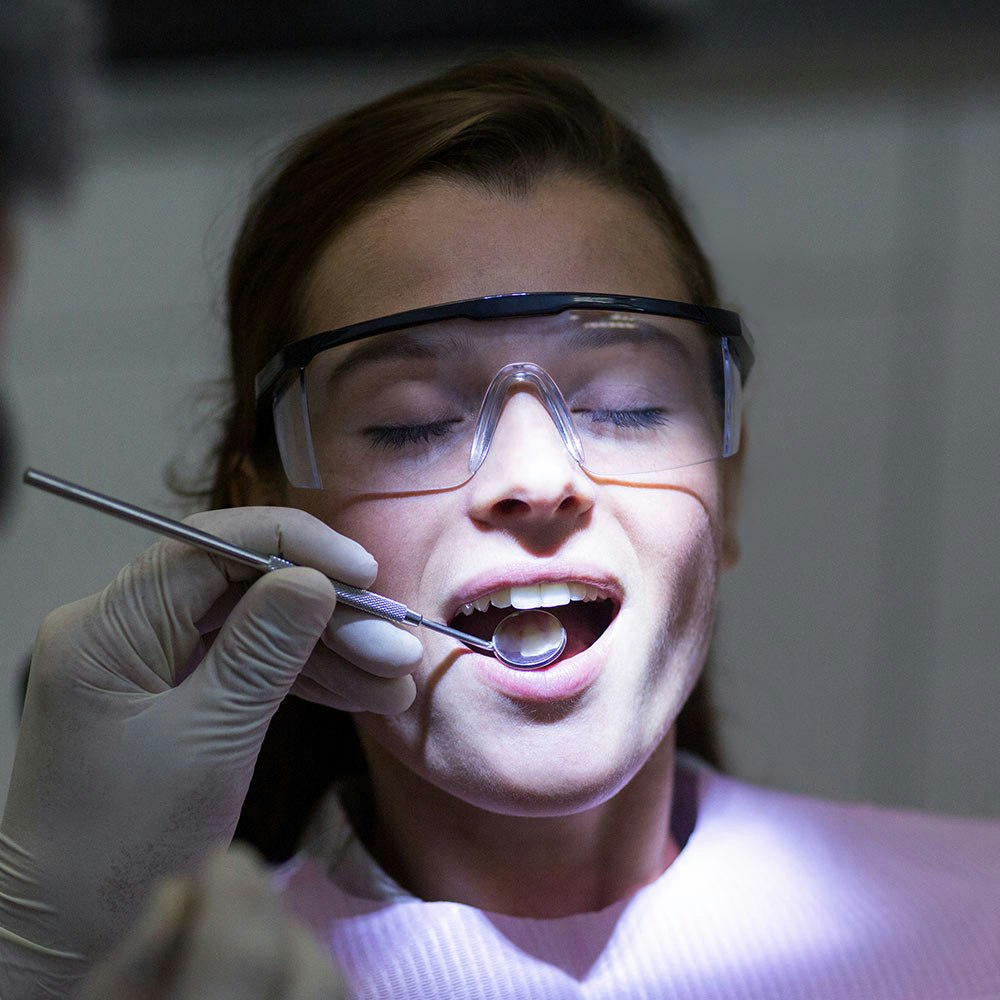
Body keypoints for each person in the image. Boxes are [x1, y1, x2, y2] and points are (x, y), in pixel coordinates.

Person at [2, 55, 998, 999]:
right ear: (262, 519)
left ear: (725, 489)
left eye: (626, 401)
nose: (535, 479)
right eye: (412, 422)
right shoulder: (170, 981)